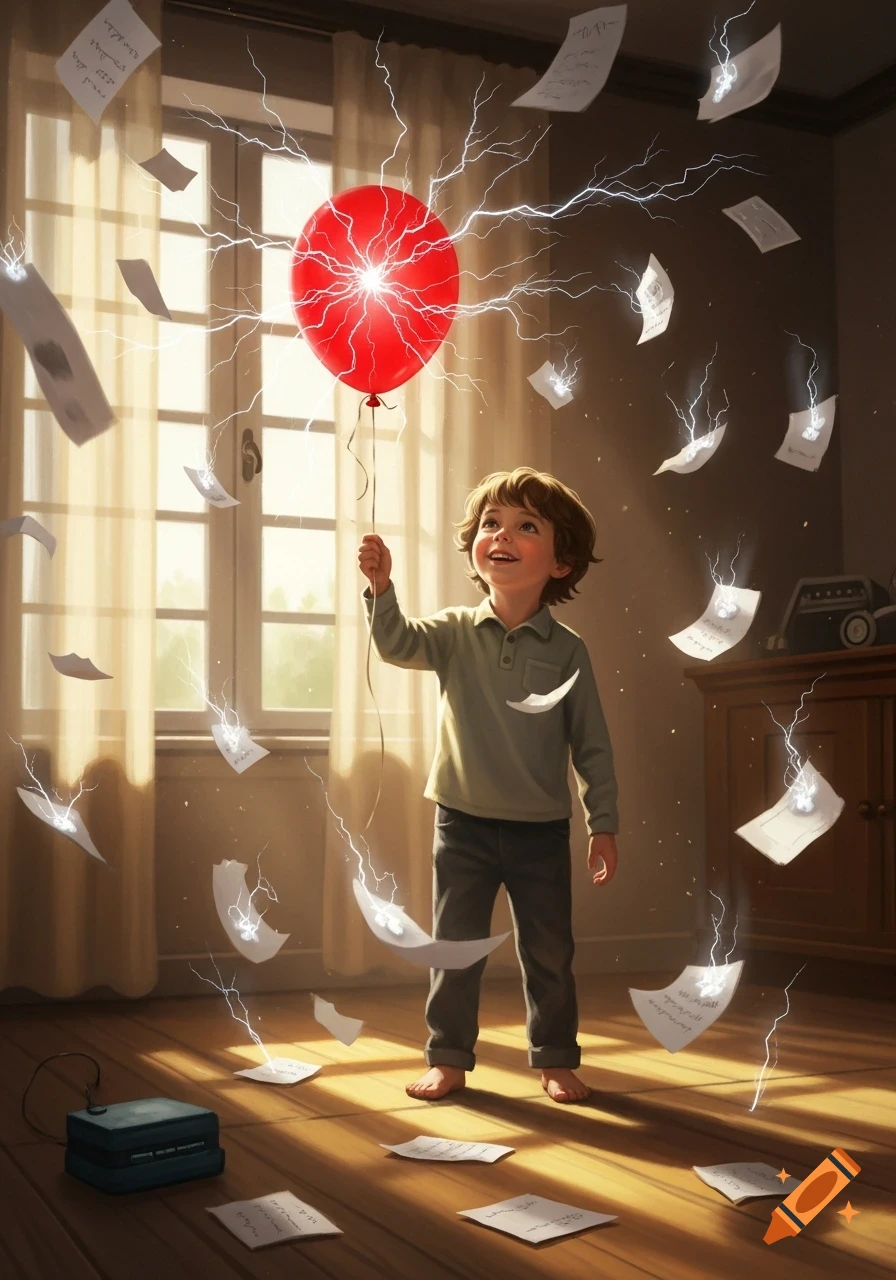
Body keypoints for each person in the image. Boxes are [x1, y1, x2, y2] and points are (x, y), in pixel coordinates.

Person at [357, 467, 619, 1104]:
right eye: (490, 524)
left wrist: (602, 825)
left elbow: (592, 745)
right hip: (463, 824)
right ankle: (448, 1057)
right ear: (475, 545)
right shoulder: (451, 632)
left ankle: (555, 1058)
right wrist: (381, 588)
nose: (501, 535)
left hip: (541, 830)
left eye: (526, 526)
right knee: (455, 948)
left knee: (549, 952)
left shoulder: (569, 652)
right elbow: (394, 644)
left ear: (562, 563)